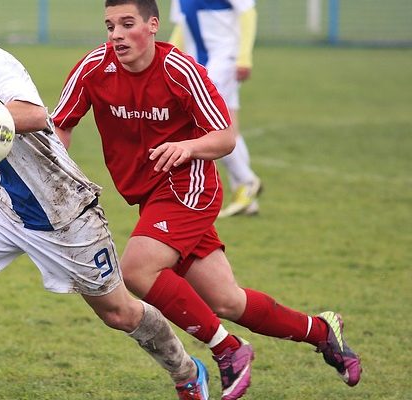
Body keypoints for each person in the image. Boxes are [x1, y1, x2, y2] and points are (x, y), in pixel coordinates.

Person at [0, 1, 214, 399]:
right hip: (4, 206)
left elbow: (35, 115)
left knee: (119, 313)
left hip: (64, 213)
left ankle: (187, 372)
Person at [52, 0, 362, 397]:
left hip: (189, 188)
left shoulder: (179, 70)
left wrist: (189, 147)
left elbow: (225, 138)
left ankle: (227, 349)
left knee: (136, 270)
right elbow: (59, 124)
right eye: (109, 25)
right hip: (149, 196)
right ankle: (322, 332)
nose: (115, 35)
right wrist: (58, 176)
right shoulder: (93, 68)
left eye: (126, 24)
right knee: (227, 301)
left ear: (152, 26)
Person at [169, 0, 261, 218]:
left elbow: (248, 13)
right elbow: (182, 26)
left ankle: (247, 181)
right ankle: (245, 196)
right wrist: (169, 55)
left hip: (224, 60)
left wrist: (244, 57)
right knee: (228, 125)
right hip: (200, 65)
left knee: (208, 125)